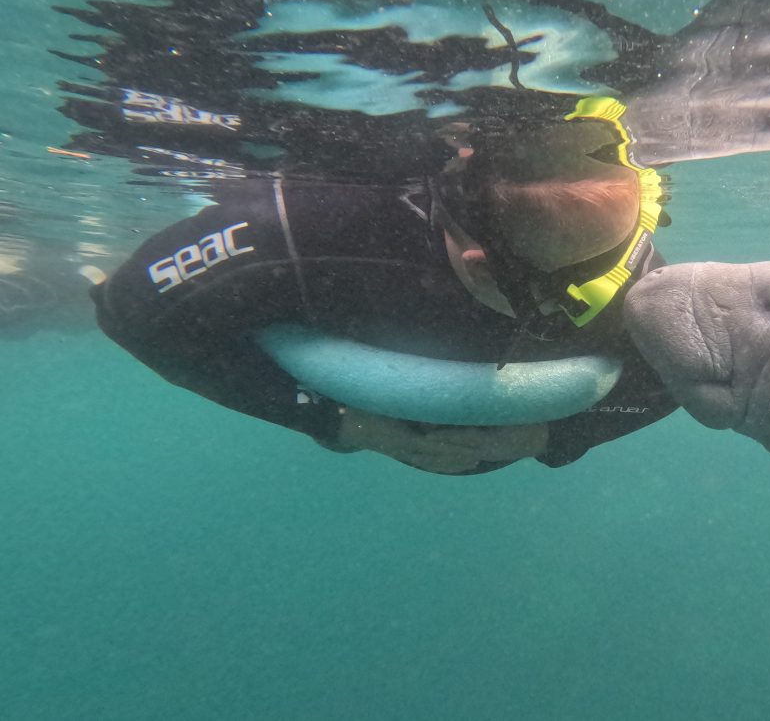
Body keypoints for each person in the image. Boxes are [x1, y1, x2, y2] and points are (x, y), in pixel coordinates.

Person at [92, 98, 677, 474]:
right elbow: (129, 309)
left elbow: (670, 382)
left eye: (615, 269)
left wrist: (553, 434)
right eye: (559, 297)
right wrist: (342, 422)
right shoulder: (304, 229)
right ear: (478, 266)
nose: (589, 307)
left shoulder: (631, 275)